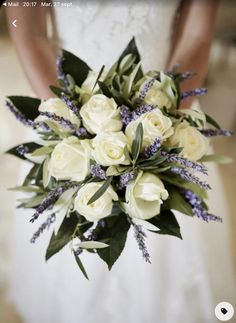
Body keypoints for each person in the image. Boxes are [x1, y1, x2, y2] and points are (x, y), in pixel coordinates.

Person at [5, 1, 236, 323]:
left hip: (165, 111)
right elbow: (27, 31)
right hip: (66, 106)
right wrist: (76, 127)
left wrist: (162, 122)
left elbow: (196, 33)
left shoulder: (165, 120)